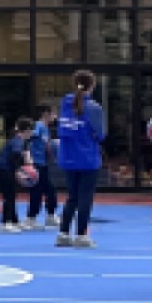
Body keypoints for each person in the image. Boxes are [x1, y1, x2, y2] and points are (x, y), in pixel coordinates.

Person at [55, 68, 106, 247]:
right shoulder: (94, 108)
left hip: (68, 157)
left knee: (72, 197)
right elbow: (101, 134)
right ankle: (81, 235)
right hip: (87, 158)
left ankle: (63, 233)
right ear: (92, 85)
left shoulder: (65, 103)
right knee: (85, 198)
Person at [0, 115, 35, 233]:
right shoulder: (17, 141)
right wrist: (19, 171)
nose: (32, 133)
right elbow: (15, 156)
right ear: (27, 130)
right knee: (9, 196)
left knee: (12, 195)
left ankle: (14, 221)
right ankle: (5, 223)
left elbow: (23, 155)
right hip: (3, 169)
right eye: (31, 130)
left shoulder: (21, 141)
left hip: (5, 168)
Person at [24, 103, 57, 230]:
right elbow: (29, 137)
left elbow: (46, 145)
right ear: (46, 114)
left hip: (43, 164)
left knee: (49, 190)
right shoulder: (38, 126)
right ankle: (31, 218)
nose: (55, 116)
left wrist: (51, 154)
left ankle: (50, 216)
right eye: (54, 113)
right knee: (37, 191)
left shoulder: (46, 129)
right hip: (35, 164)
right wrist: (28, 158)